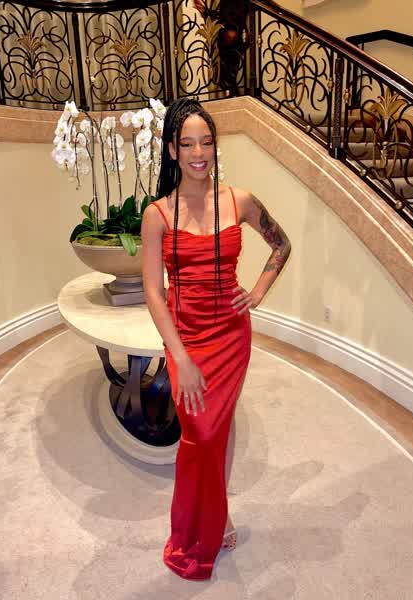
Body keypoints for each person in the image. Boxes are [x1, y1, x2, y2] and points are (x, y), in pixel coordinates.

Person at [141, 97, 291, 580]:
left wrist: (259, 291)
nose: (198, 153)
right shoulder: (157, 214)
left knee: (217, 428)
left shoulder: (238, 200)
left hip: (231, 335)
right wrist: (180, 358)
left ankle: (219, 512)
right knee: (199, 433)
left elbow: (281, 243)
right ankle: (195, 529)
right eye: (187, 144)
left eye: (206, 142)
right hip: (186, 338)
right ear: (172, 150)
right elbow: (153, 290)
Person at [193, 0, 250, 95]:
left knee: (228, 77)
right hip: (228, 36)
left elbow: (231, 13)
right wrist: (205, 11)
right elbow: (224, 15)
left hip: (231, 37)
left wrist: (233, 29)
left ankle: (234, 95)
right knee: (225, 77)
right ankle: (233, 95)